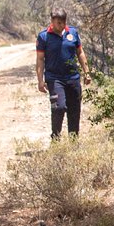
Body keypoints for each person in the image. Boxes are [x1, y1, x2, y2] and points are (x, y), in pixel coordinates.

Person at [36, 8, 92, 138]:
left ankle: (73, 140)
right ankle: (55, 137)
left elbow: (80, 53)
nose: (61, 26)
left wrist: (87, 72)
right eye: (58, 23)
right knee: (59, 107)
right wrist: (40, 80)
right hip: (54, 78)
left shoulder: (72, 33)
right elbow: (39, 60)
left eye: (63, 22)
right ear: (52, 21)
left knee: (74, 110)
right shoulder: (44, 36)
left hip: (73, 77)